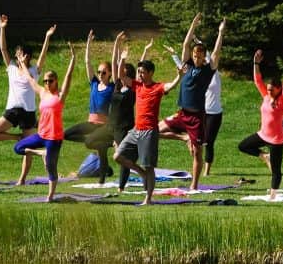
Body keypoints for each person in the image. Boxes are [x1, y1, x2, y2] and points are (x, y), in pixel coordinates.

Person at [0, 14, 55, 185]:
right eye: (17, 54)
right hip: (13, 111)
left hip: (28, 113)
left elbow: (44, 55)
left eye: (21, 54)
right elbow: (3, 49)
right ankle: (16, 138)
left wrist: (47, 37)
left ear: (27, 56)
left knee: (28, 150)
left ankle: (22, 180)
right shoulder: (12, 68)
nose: (18, 57)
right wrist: (2, 28)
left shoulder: (34, 71)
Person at [158, 14, 224, 191]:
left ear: (204, 57)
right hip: (182, 113)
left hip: (196, 117)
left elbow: (216, 53)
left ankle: (194, 186)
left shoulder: (208, 70)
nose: (196, 57)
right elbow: (186, 44)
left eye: (199, 55)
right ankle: (183, 137)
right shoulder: (187, 66)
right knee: (152, 131)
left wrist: (221, 33)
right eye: (195, 54)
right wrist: (193, 24)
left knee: (197, 152)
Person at [115, 57, 185, 205]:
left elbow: (170, 86)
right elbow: (121, 76)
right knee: (118, 156)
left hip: (149, 132)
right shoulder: (137, 86)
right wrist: (122, 58)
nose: (140, 74)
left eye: (143, 72)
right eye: (139, 71)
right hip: (136, 130)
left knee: (149, 166)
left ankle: (148, 199)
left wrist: (179, 76)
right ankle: (141, 173)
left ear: (151, 73)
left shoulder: (157, 87)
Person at [13, 44, 76, 202]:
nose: (47, 83)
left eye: (50, 81)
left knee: (50, 167)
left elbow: (68, 78)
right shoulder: (42, 92)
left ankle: (50, 196)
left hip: (54, 138)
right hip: (41, 135)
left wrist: (73, 59)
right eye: (46, 80)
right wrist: (21, 63)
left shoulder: (59, 96)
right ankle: (41, 153)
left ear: (56, 81)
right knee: (18, 147)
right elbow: (29, 78)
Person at [84, 33, 137, 192]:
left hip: (123, 128)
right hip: (110, 126)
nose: (120, 74)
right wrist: (117, 43)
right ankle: (110, 144)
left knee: (123, 157)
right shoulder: (116, 86)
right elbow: (114, 63)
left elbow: (118, 66)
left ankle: (121, 186)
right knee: (89, 141)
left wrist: (124, 60)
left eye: (124, 73)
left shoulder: (134, 89)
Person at [237, 50, 283, 200]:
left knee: (276, 170)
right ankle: (263, 155)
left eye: (271, 89)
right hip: (262, 135)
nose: (268, 91)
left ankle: (273, 195)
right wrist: (255, 63)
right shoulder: (266, 96)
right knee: (243, 146)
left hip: (276, 140)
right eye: (267, 89)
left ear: (278, 89)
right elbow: (257, 80)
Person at [63, 30, 115, 181]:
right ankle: (102, 145)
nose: (100, 74)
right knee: (66, 134)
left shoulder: (112, 88)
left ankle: (102, 179)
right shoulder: (94, 84)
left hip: (102, 126)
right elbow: (87, 62)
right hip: (90, 123)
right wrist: (88, 44)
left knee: (101, 149)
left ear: (110, 73)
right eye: (99, 72)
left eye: (103, 72)